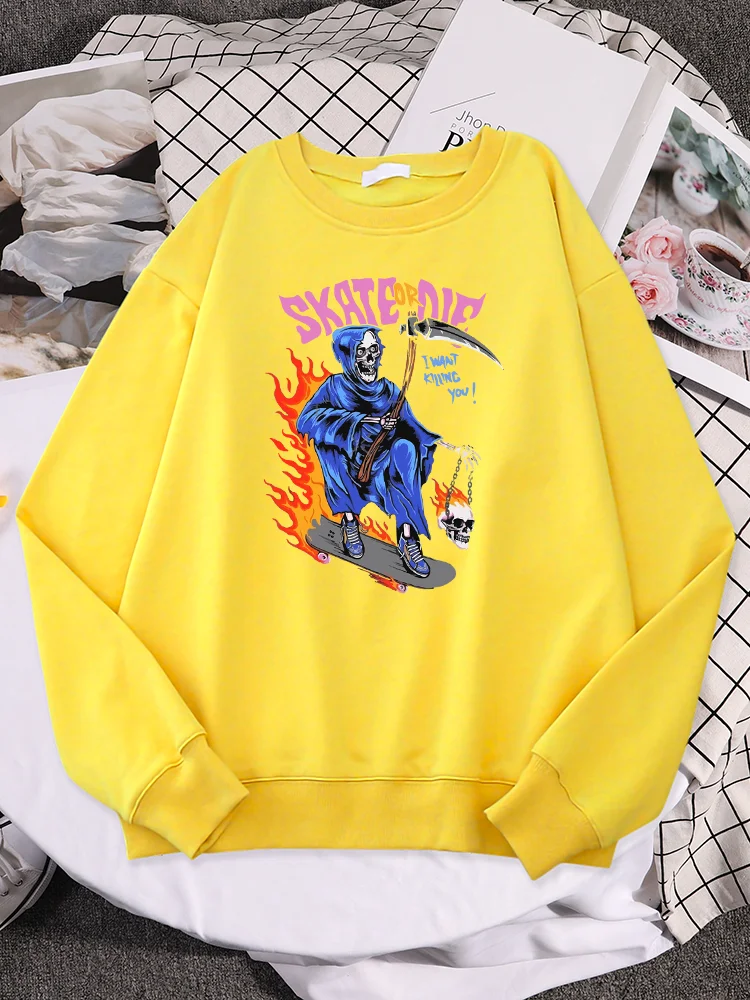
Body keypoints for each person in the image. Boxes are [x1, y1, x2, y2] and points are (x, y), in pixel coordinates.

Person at [297, 324, 440, 577]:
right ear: (348, 356)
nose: (370, 358)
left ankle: (407, 536)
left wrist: (437, 443)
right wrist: (360, 422)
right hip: (348, 465)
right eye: (361, 352)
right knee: (329, 446)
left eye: (374, 350)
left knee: (407, 448)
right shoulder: (334, 387)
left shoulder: (389, 391)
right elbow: (306, 419)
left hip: (382, 466)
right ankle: (349, 521)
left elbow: (411, 427)